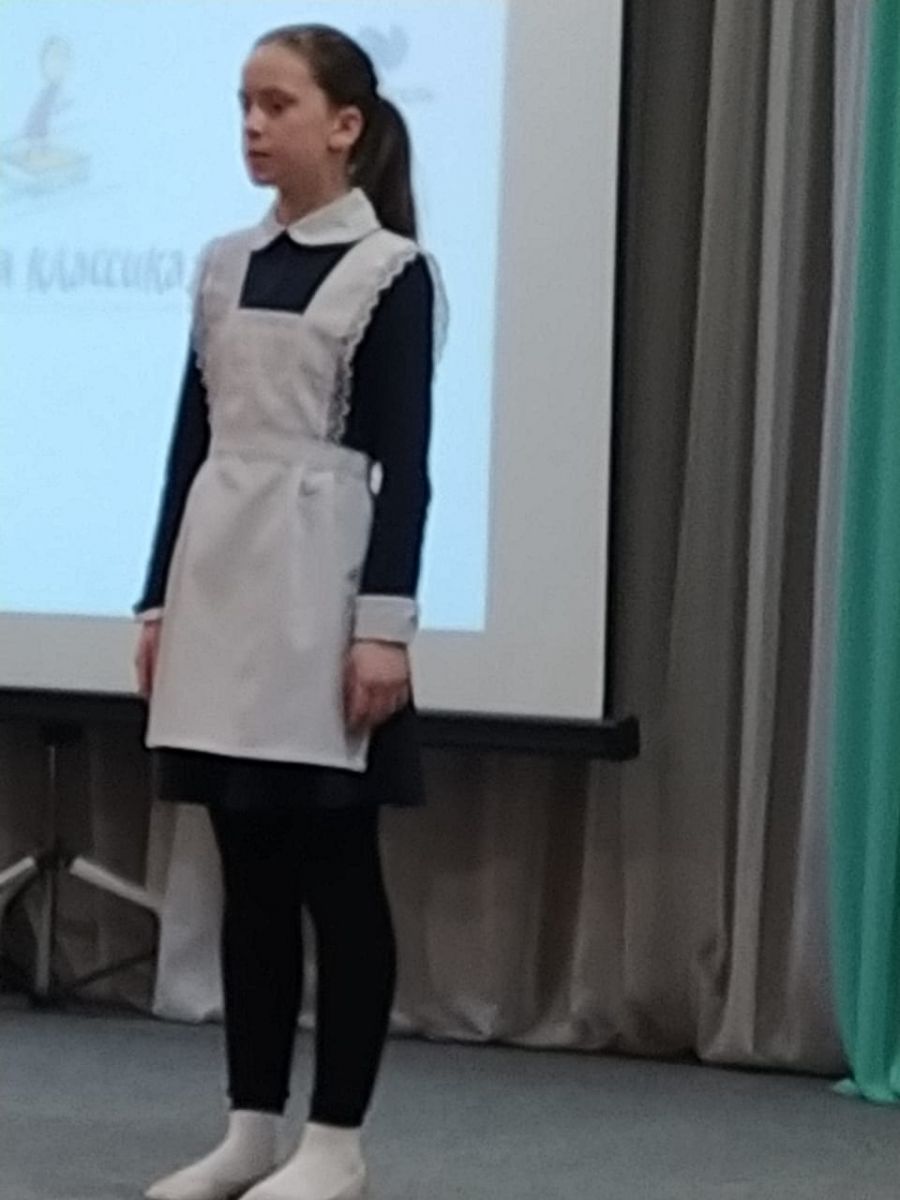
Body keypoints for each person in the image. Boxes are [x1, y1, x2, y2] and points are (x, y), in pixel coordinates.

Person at [133, 23, 445, 1200]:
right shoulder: (223, 264)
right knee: (247, 868)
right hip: (222, 585)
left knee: (335, 869)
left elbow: (407, 470)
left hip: (323, 591)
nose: (255, 127)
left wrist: (384, 627)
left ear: (345, 125)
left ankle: (337, 1140)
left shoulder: (390, 273)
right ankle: (251, 1126)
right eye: (244, 106)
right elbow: (190, 446)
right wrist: (158, 599)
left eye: (278, 105)